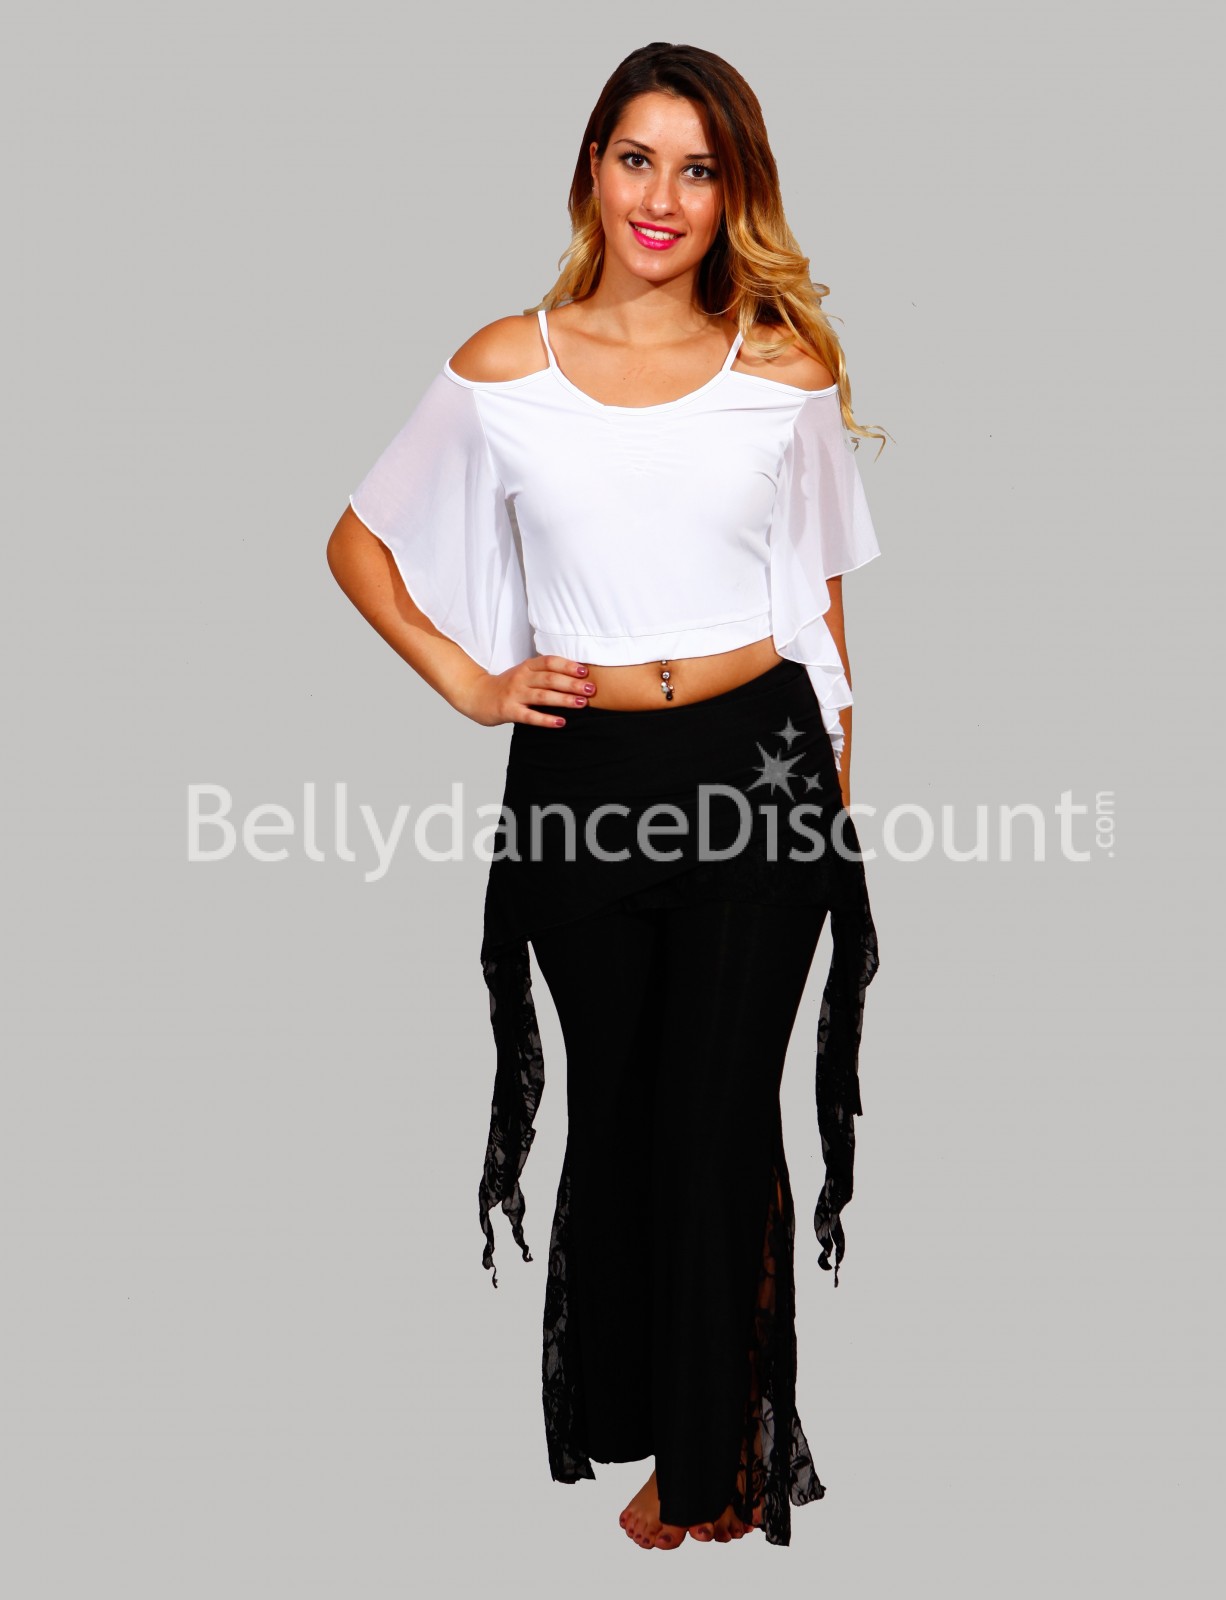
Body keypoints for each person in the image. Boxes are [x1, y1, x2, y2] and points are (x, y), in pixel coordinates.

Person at [327, 41, 885, 1552]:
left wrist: (835, 799)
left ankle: (712, 1467)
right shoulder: (504, 365)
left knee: (721, 1116)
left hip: (759, 773)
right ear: (592, 168)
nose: (663, 197)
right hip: (582, 782)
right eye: (638, 158)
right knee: (626, 1111)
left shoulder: (784, 370)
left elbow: (823, 608)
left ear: (732, 193)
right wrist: (470, 682)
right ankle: (665, 1423)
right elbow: (359, 543)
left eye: (699, 170)